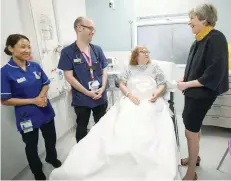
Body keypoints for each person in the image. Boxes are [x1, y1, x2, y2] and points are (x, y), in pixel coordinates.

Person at [50, 46, 179, 180]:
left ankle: (144, 157)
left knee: (148, 128)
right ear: (136, 55)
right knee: (118, 128)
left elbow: (162, 83)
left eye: (148, 52)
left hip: (151, 102)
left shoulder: (155, 67)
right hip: (131, 101)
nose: (147, 54)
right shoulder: (129, 69)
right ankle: (118, 153)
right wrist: (129, 95)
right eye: (143, 52)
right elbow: (122, 84)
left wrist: (157, 93)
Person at [177, 3, 229, 180]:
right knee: (192, 125)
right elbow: (194, 66)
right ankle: (195, 158)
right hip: (193, 91)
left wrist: (187, 84)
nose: (189, 22)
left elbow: (213, 73)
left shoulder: (216, 38)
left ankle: (191, 172)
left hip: (203, 92)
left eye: (192, 18)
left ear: (204, 20)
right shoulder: (199, 39)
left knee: (190, 130)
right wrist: (185, 79)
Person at [1, 34, 62, 180]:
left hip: (45, 109)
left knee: (50, 138)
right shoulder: (5, 72)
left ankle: (51, 158)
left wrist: (41, 96)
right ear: (11, 48)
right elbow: (5, 100)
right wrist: (33, 100)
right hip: (26, 115)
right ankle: (37, 170)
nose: (27, 50)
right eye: (23, 46)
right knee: (31, 145)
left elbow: (46, 83)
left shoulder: (34, 66)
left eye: (29, 47)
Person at [58, 17, 108, 143]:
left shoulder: (97, 49)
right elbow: (69, 77)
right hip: (82, 98)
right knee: (82, 128)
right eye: (90, 28)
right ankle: (82, 156)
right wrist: (87, 92)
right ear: (79, 28)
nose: (93, 31)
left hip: (99, 96)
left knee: (102, 127)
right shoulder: (67, 52)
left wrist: (102, 88)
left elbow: (105, 69)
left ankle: (100, 151)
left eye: (94, 29)